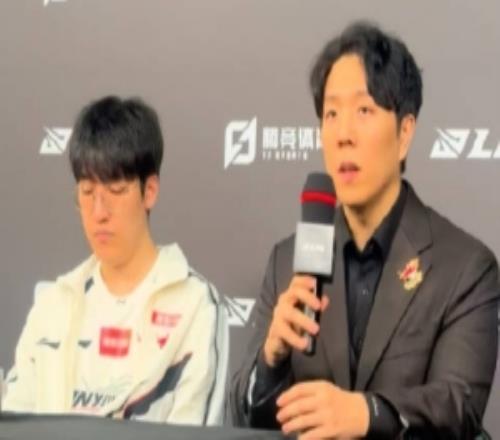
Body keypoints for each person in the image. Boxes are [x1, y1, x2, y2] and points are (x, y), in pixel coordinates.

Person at [231, 22, 500, 439]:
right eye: (331, 114)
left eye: (363, 111)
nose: (343, 135)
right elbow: (246, 415)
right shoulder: (288, 262)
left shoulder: (464, 267)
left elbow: (458, 405)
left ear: (405, 132)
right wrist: (271, 360)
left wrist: (366, 412)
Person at [3, 96, 228, 425]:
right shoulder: (54, 304)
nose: (99, 212)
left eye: (116, 191)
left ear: (149, 191)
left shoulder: (196, 305)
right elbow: (15, 424)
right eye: (87, 192)